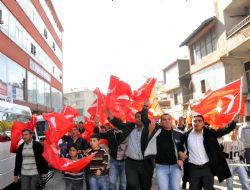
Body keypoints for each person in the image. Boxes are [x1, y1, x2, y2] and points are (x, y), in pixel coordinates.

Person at [183, 114, 238, 190]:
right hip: (193, 168)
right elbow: (179, 146)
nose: (197, 123)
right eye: (195, 121)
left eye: (199, 121)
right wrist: (180, 153)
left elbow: (223, 131)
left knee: (209, 187)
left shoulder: (209, 132)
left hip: (207, 167)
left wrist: (233, 122)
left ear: (203, 123)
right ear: (191, 123)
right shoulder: (186, 135)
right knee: (194, 188)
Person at [106, 105, 154, 190]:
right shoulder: (129, 126)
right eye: (138, 117)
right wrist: (110, 115)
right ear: (135, 119)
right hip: (131, 163)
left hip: (146, 163)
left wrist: (146, 106)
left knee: (145, 186)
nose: (140, 119)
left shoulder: (149, 129)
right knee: (132, 185)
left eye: (142, 117)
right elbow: (118, 123)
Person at [142, 104, 185, 190]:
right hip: (161, 167)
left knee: (176, 188)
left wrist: (181, 159)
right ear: (161, 122)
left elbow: (182, 147)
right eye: (164, 120)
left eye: (169, 119)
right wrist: (146, 106)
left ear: (172, 120)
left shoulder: (178, 133)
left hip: (175, 166)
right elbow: (144, 119)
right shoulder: (157, 131)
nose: (167, 121)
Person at [94, 122, 127, 190]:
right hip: (113, 161)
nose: (115, 124)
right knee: (112, 183)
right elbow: (98, 135)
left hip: (124, 161)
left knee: (123, 184)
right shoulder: (110, 132)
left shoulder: (126, 131)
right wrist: (96, 126)